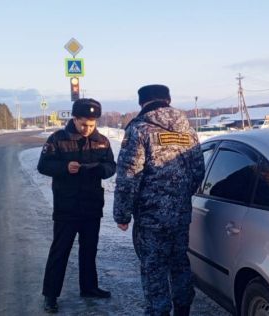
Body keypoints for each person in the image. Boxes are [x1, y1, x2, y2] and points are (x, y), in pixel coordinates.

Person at [113, 85, 205, 316]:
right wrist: (180, 197)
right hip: (181, 215)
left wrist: (122, 214)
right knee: (179, 263)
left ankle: (158, 312)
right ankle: (183, 310)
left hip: (151, 218)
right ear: (169, 100)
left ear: (142, 104)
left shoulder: (139, 129)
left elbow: (128, 176)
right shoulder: (188, 131)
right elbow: (198, 172)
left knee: (154, 269)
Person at [37, 98, 116, 313]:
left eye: (92, 125)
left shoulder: (102, 141)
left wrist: (101, 170)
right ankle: (50, 295)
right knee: (60, 251)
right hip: (66, 206)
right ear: (74, 119)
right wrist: (64, 167)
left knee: (89, 250)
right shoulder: (58, 139)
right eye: (83, 124)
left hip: (92, 206)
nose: (87, 129)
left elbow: (111, 166)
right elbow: (43, 165)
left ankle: (89, 287)